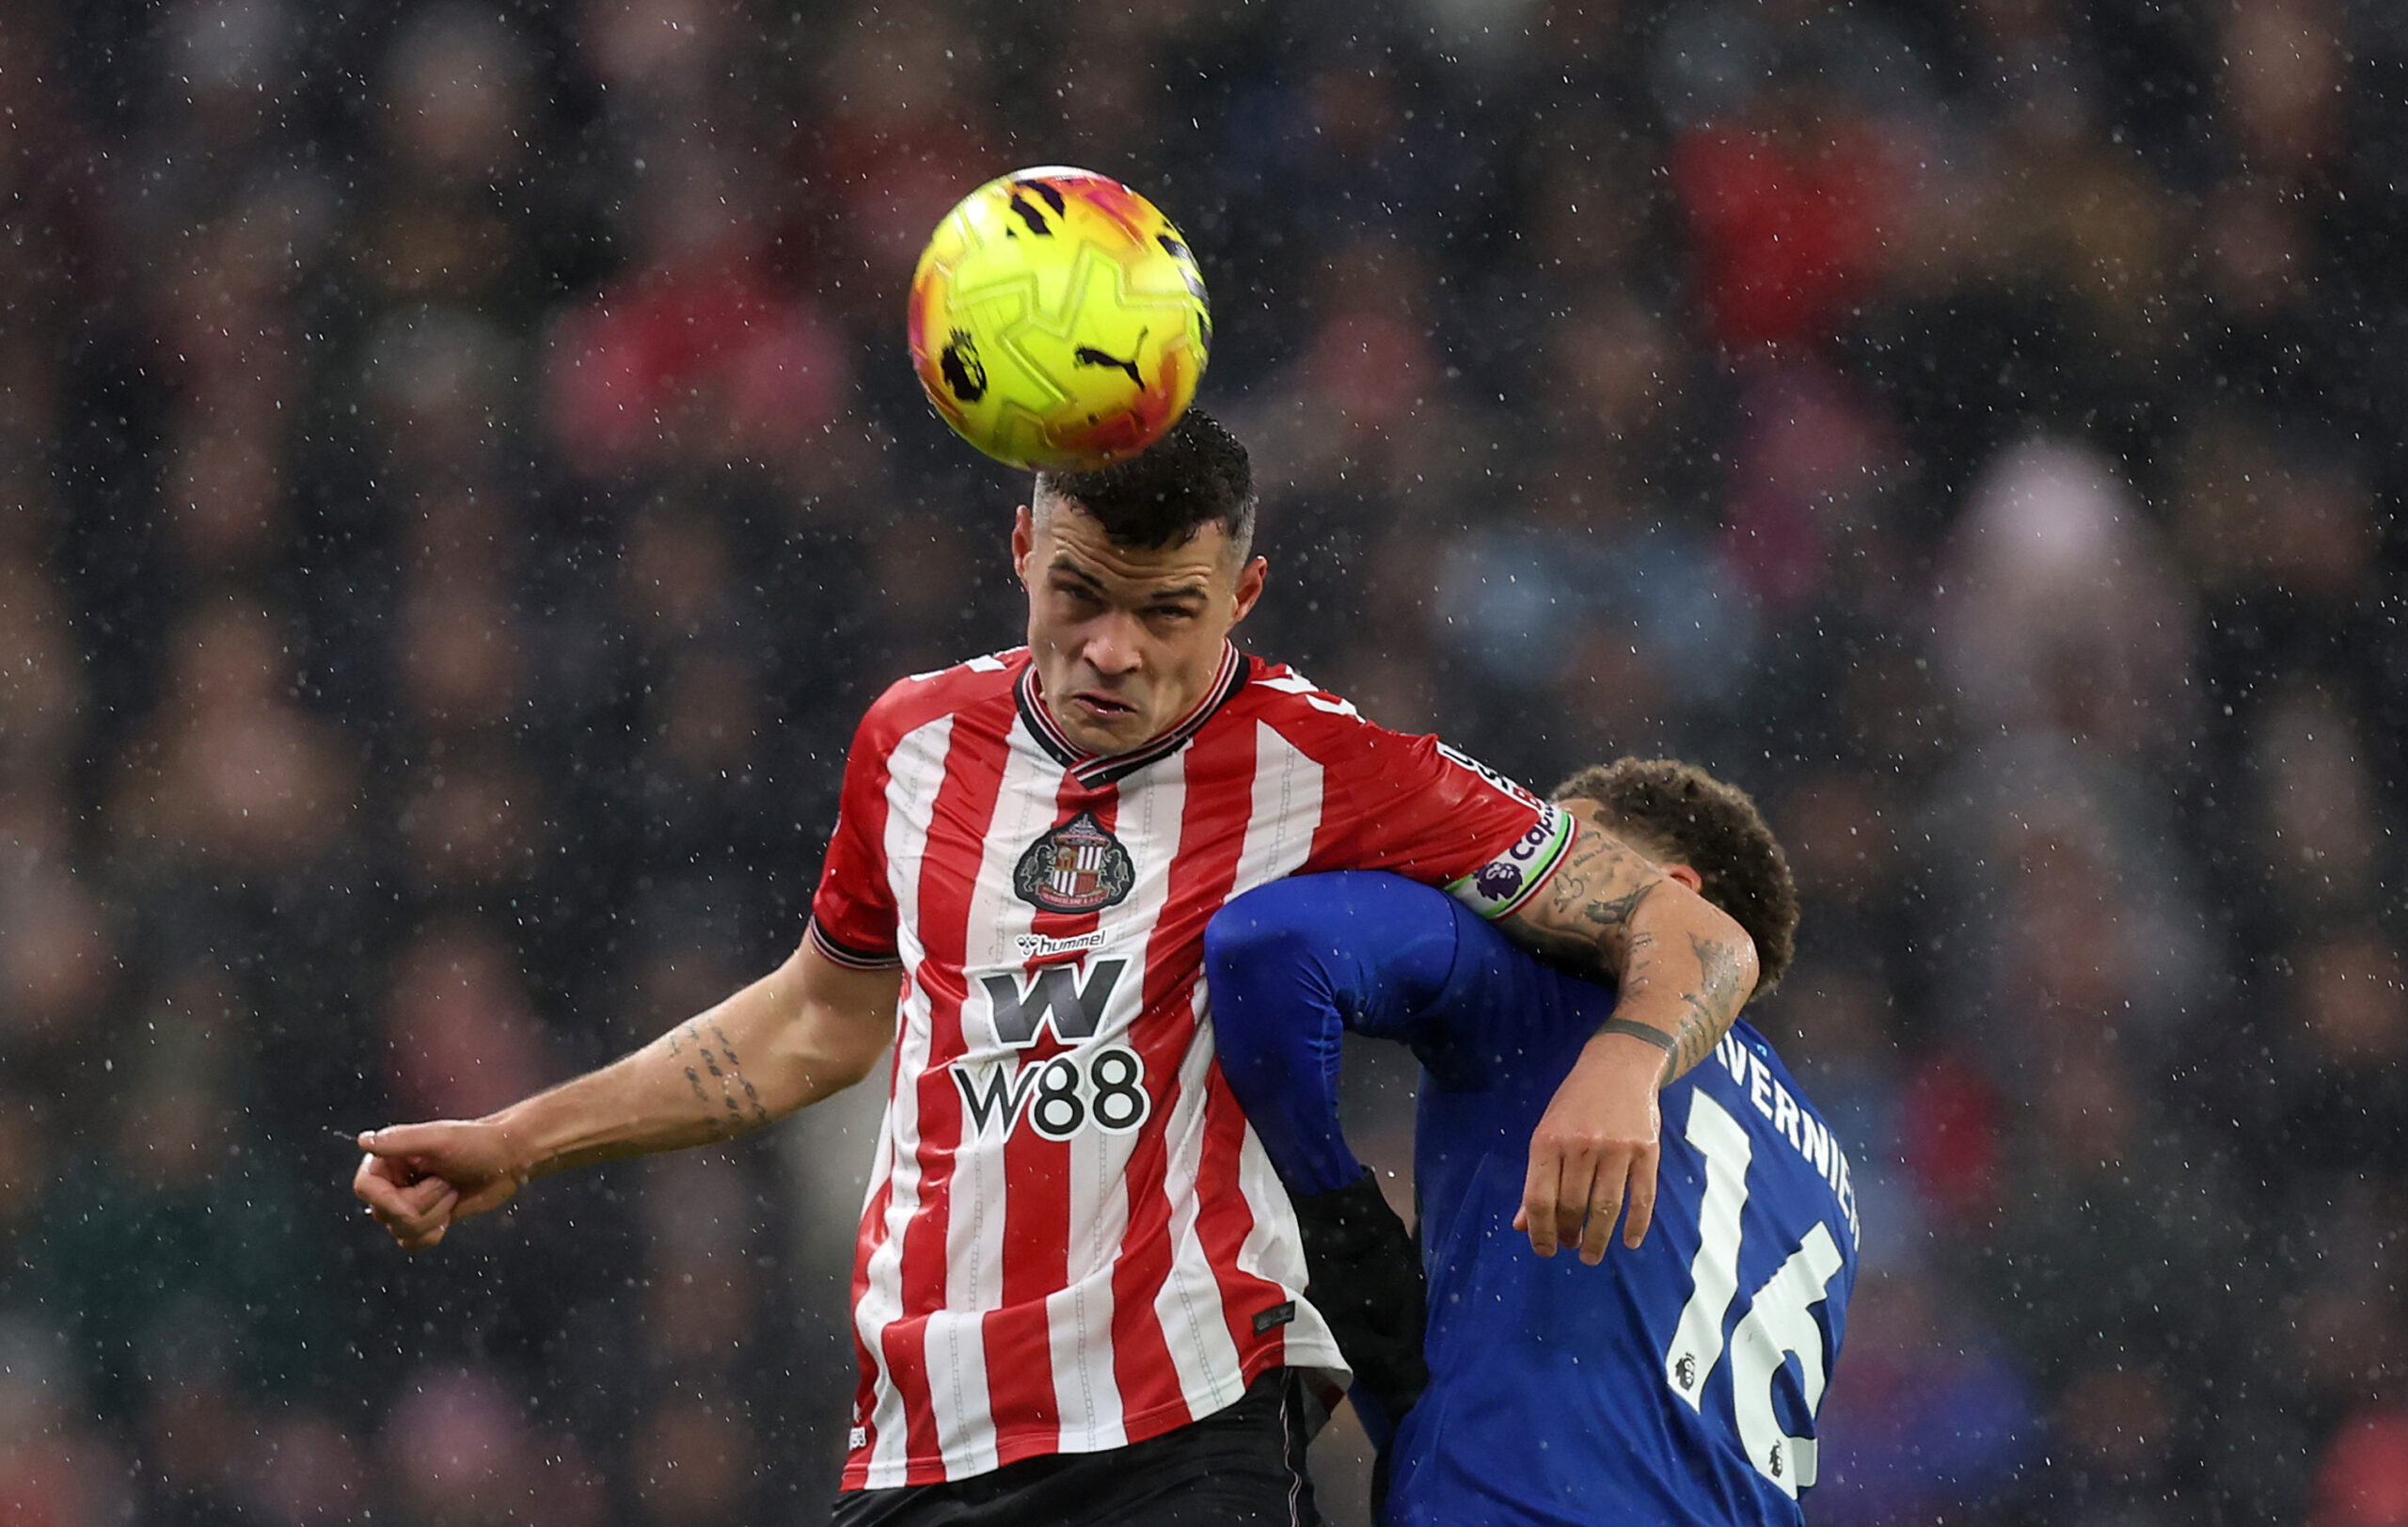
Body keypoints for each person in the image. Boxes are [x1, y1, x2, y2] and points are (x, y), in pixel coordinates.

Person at [351, 412, 1763, 1526]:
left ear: (1244, 592)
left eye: (1168, 612)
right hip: (923, 1421)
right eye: (1080, 591)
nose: (1110, 649)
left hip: (1187, 1415)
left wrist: (1626, 1061)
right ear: (1021, 544)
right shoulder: (909, 744)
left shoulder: (1328, 762)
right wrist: (521, 1135)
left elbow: (1699, 931)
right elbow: (811, 1023)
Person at [1207, 758, 1854, 1526]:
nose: (1511, 873)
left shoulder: (1556, 992)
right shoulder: (1828, 1171)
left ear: (1673, 894)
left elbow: (1267, 946)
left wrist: (1333, 1211)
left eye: (1563, 849)